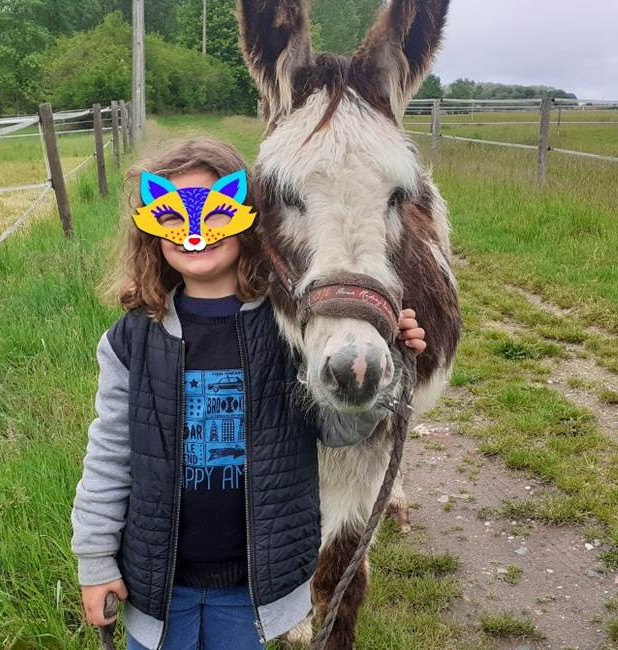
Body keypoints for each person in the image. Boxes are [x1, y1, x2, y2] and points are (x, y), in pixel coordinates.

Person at [70, 137, 426, 650]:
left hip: (250, 586)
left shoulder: (289, 335)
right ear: (151, 228)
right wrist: (95, 560)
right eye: (173, 217)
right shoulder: (131, 341)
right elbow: (108, 456)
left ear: (252, 220)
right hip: (158, 585)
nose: (195, 232)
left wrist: (379, 369)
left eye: (217, 214)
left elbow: (338, 431)